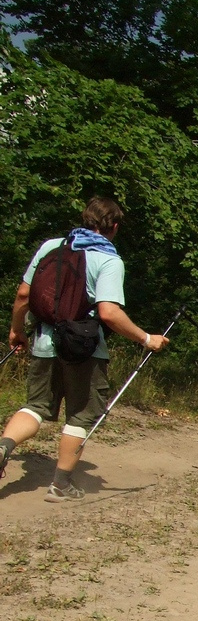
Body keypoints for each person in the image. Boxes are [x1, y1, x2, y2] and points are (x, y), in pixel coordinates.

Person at [0, 197, 169, 501]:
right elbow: (108, 313)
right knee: (80, 415)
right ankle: (61, 484)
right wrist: (146, 339)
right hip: (84, 347)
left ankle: (4, 446)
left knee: (36, 406)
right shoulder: (108, 260)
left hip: (43, 340)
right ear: (114, 227)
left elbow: (24, 294)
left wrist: (17, 330)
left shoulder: (53, 246)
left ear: (85, 218)